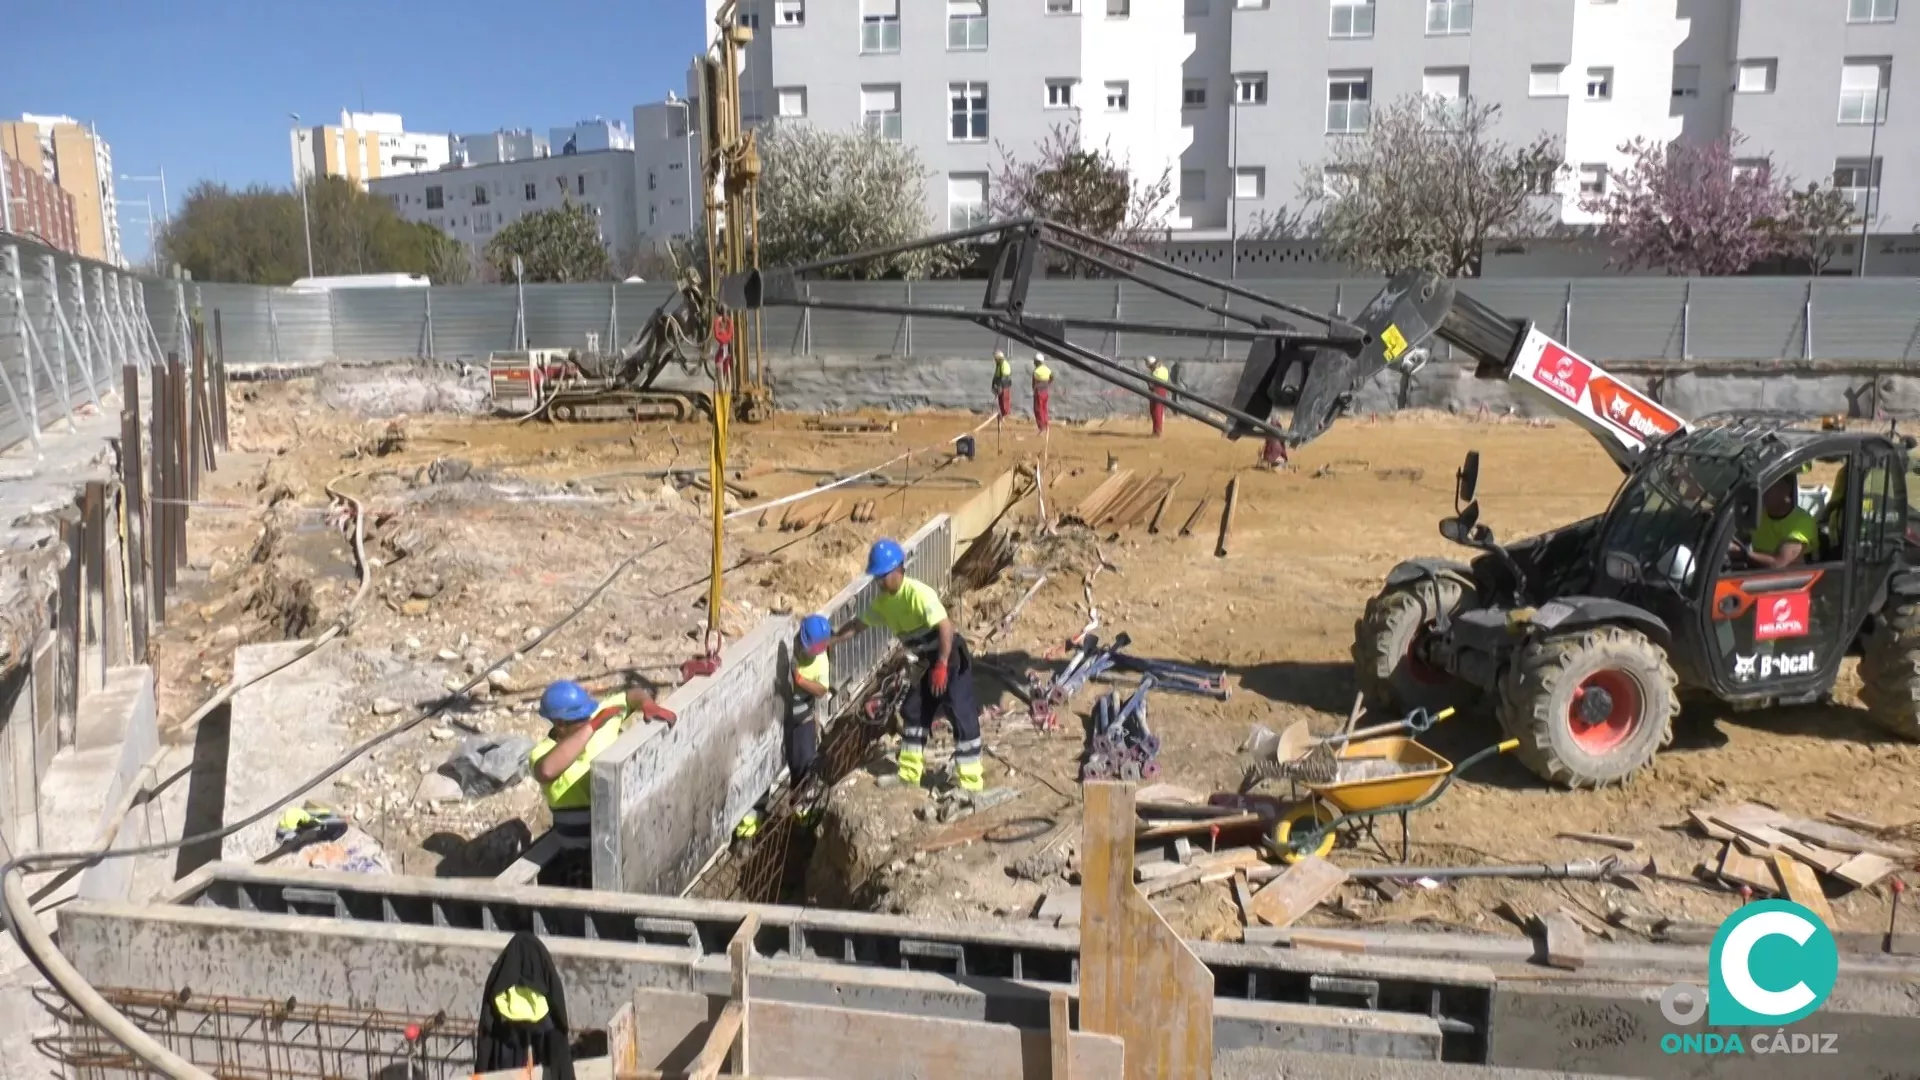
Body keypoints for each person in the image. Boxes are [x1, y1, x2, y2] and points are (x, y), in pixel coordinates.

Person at [824, 539, 984, 792]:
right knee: (914, 710)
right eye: (877, 577)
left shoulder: (918, 593)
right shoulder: (883, 603)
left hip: (948, 655)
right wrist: (832, 639)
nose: (879, 582)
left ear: (898, 569)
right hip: (924, 661)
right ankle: (909, 773)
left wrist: (942, 664)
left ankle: (970, 784)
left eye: (883, 576)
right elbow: (857, 625)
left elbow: (945, 627)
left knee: (961, 713)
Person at [529, 679, 675, 884]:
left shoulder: (601, 717)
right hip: (580, 857)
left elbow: (631, 694)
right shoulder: (542, 753)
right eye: (581, 719)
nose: (588, 718)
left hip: (622, 841)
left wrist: (646, 704)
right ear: (560, 724)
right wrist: (591, 727)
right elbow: (547, 770)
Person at [787, 614, 833, 784]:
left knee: (804, 766)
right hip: (783, 720)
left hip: (802, 720)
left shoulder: (821, 661)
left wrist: (800, 680)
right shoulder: (793, 643)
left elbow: (822, 690)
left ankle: (802, 806)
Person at [1734, 474, 1816, 569]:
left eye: (1767, 487)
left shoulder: (1802, 521)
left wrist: (1742, 553)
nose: (1762, 492)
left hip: (1788, 580)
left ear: (1785, 489)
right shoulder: (1759, 515)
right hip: (1757, 575)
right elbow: (1739, 537)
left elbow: (1778, 564)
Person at [1147, 356, 1171, 437]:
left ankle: (1157, 431)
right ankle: (1156, 430)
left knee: (1156, 410)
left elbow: (1152, 384)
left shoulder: (1156, 372)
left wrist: (1150, 385)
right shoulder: (1164, 369)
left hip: (1157, 389)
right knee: (1157, 410)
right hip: (1162, 390)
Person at [1031, 354, 1054, 434]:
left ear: (1037, 362)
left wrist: (1034, 390)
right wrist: (1047, 383)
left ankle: (1041, 427)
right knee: (1044, 409)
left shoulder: (1036, 371)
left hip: (1039, 392)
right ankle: (1046, 424)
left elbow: (1033, 383)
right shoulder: (1047, 369)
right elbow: (1052, 376)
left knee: (1038, 409)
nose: (1034, 362)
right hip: (1045, 392)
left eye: (1035, 361)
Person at [991, 350, 1013, 419]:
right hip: (1000, 386)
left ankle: (1006, 415)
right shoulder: (998, 365)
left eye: (996, 359)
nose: (995, 360)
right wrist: (993, 385)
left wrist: (1000, 386)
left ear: (998, 358)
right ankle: (1003, 414)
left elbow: (1004, 377)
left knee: (1005, 401)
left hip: (1004, 386)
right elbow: (996, 376)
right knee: (1001, 401)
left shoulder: (1004, 364)